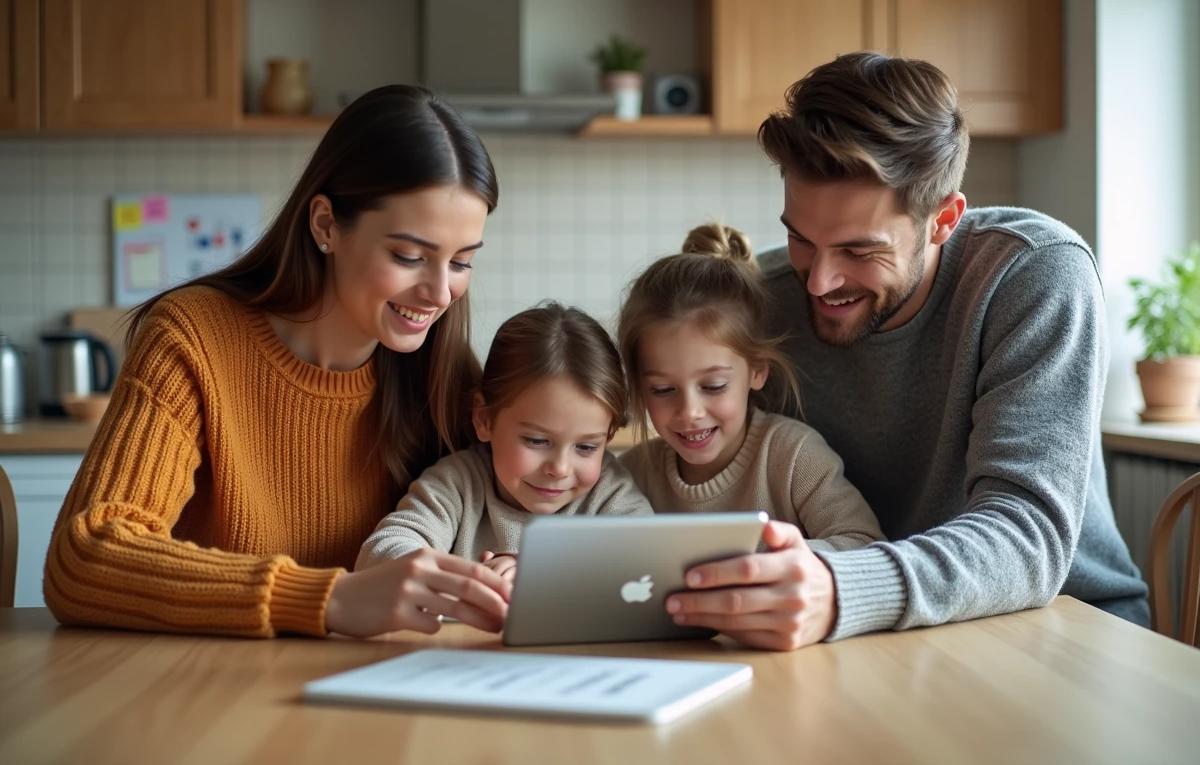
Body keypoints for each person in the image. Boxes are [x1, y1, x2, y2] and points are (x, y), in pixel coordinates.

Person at [659, 52, 1149, 651]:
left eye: (859, 252)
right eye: (800, 239)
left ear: (943, 219)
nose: (818, 282)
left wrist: (840, 589)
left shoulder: (1033, 275)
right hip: (882, 635)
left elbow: (1027, 537)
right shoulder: (764, 300)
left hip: (1071, 632)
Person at [43, 85, 516, 639]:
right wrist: (329, 597)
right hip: (206, 693)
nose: (439, 292)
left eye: (461, 262)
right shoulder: (194, 337)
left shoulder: (446, 374)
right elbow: (84, 559)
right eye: (409, 256)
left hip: (383, 695)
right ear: (325, 226)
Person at [616, 222, 884, 555]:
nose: (689, 412)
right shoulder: (629, 475)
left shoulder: (793, 456)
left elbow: (865, 544)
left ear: (757, 370)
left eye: (713, 386)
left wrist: (773, 566)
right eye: (662, 389)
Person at [356, 303, 652, 582]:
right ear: (484, 419)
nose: (560, 469)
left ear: (609, 435)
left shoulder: (608, 493)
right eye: (537, 440)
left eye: (586, 447)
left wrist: (540, 569)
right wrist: (456, 580)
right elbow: (380, 553)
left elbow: (651, 560)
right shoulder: (458, 485)